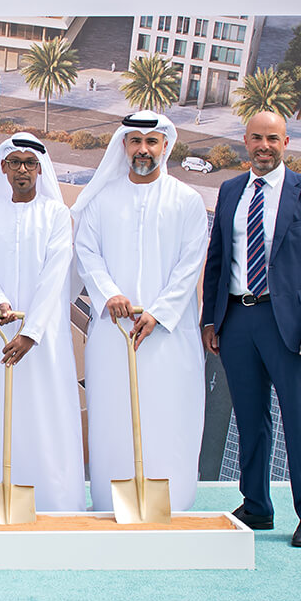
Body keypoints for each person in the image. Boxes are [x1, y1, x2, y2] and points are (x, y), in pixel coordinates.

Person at [202, 111, 301, 547]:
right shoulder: (229, 191)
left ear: (286, 143)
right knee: (250, 420)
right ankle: (258, 507)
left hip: (290, 325)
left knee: (299, 422)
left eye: (273, 139)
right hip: (239, 320)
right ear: (246, 141)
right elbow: (218, 259)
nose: (264, 146)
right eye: (257, 138)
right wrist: (211, 317)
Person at [74, 112, 208, 513]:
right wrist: (110, 294)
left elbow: (190, 262)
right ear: (124, 146)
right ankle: (112, 505)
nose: (143, 150)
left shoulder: (187, 200)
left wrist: (160, 312)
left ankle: (172, 505)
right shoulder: (102, 200)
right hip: (115, 337)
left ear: (165, 146)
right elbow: (87, 253)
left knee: (169, 422)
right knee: (114, 423)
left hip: (170, 338)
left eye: (152, 142)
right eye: (135, 141)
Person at [0, 133, 85, 511]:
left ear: (40, 168)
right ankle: (1, 500)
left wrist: (31, 332)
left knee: (47, 414)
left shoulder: (55, 216)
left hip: (44, 338)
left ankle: (55, 503)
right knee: (0, 414)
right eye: (14, 163)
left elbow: (55, 277)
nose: (21, 170)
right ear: (2, 168)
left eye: (29, 163)